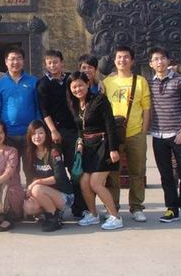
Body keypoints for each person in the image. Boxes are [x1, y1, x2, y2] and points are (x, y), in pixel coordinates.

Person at [148, 48, 181, 225]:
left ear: (168, 61)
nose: (160, 62)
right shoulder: (150, 83)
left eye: (163, 58)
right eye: (156, 59)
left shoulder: (179, 81)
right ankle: (171, 208)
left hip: (178, 135)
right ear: (151, 64)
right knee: (166, 175)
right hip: (158, 135)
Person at [68, 71, 123, 230]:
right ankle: (93, 214)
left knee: (96, 183)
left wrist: (113, 149)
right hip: (87, 148)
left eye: (80, 85)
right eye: (74, 87)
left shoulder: (100, 99)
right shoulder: (75, 104)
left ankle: (115, 216)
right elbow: (80, 128)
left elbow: (110, 125)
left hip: (103, 146)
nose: (77, 89)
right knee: (84, 181)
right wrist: (80, 142)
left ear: (87, 84)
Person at [103, 45, 151, 223]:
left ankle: (136, 207)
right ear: (114, 61)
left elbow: (146, 108)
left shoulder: (140, 81)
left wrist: (143, 131)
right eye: (119, 57)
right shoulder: (107, 82)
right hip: (114, 135)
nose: (122, 60)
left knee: (137, 172)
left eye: (126, 57)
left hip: (135, 133)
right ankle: (113, 207)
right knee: (113, 173)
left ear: (132, 61)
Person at [36, 49, 87, 217]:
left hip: (72, 131)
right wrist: (52, 130)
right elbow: (44, 110)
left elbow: (85, 85)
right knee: (55, 170)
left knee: (75, 169)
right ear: (45, 64)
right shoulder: (43, 83)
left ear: (62, 62)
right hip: (54, 133)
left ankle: (79, 207)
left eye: (55, 62)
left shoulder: (70, 79)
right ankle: (55, 207)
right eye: (49, 63)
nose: (53, 65)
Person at [0, 46, 41, 170]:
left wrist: (37, 128)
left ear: (23, 61)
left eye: (19, 58)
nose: (15, 62)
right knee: (10, 170)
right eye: (12, 59)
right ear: (6, 62)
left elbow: (39, 107)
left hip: (29, 134)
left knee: (31, 169)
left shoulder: (33, 82)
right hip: (8, 134)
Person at [23, 120, 73, 232]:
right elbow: (29, 177)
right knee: (28, 207)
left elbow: (59, 177)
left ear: (46, 134)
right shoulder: (29, 153)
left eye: (40, 133)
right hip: (44, 192)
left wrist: (37, 182)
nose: (37, 136)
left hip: (64, 196)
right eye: (33, 133)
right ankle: (50, 212)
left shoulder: (54, 151)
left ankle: (53, 217)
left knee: (37, 188)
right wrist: (29, 190)